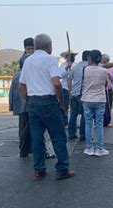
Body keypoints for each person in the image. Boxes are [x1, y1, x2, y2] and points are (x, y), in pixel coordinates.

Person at [18, 34, 75, 181]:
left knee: (37, 138)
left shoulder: (28, 61)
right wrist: (61, 103)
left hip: (33, 102)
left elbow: (21, 86)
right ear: (49, 46)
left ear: (36, 46)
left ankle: (39, 169)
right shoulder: (50, 59)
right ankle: (62, 169)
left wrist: (30, 99)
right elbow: (56, 83)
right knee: (58, 136)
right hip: (48, 102)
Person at [9, 38, 34, 158]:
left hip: (23, 103)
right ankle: (25, 150)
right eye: (28, 48)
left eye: (32, 48)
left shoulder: (18, 72)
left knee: (25, 127)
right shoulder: (27, 64)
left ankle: (26, 149)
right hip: (26, 103)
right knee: (27, 128)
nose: (30, 51)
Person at [81, 49, 110, 157]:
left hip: (87, 99)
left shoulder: (85, 69)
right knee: (99, 124)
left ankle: (89, 148)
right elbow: (106, 84)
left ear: (90, 59)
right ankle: (100, 149)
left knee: (88, 124)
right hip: (100, 99)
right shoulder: (104, 71)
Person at [67, 50, 90, 141]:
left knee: (73, 114)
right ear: (89, 58)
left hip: (74, 94)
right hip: (84, 94)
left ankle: (71, 134)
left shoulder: (75, 67)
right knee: (85, 115)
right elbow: (105, 66)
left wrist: (70, 91)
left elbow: (69, 79)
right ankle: (83, 135)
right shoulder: (89, 67)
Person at [59, 49, 77, 126]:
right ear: (66, 57)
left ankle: (73, 123)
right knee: (64, 106)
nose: (71, 57)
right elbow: (60, 75)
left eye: (72, 56)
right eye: (69, 56)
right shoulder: (63, 65)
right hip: (65, 89)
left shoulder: (76, 65)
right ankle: (64, 122)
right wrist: (66, 68)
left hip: (75, 89)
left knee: (74, 108)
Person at [101, 53, 113, 127]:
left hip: (109, 90)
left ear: (107, 60)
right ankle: (100, 121)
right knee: (101, 106)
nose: (101, 60)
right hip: (101, 90)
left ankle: (108, 121)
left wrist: (109, 75)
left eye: (103, 58)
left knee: (109, 106)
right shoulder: (100, 67)